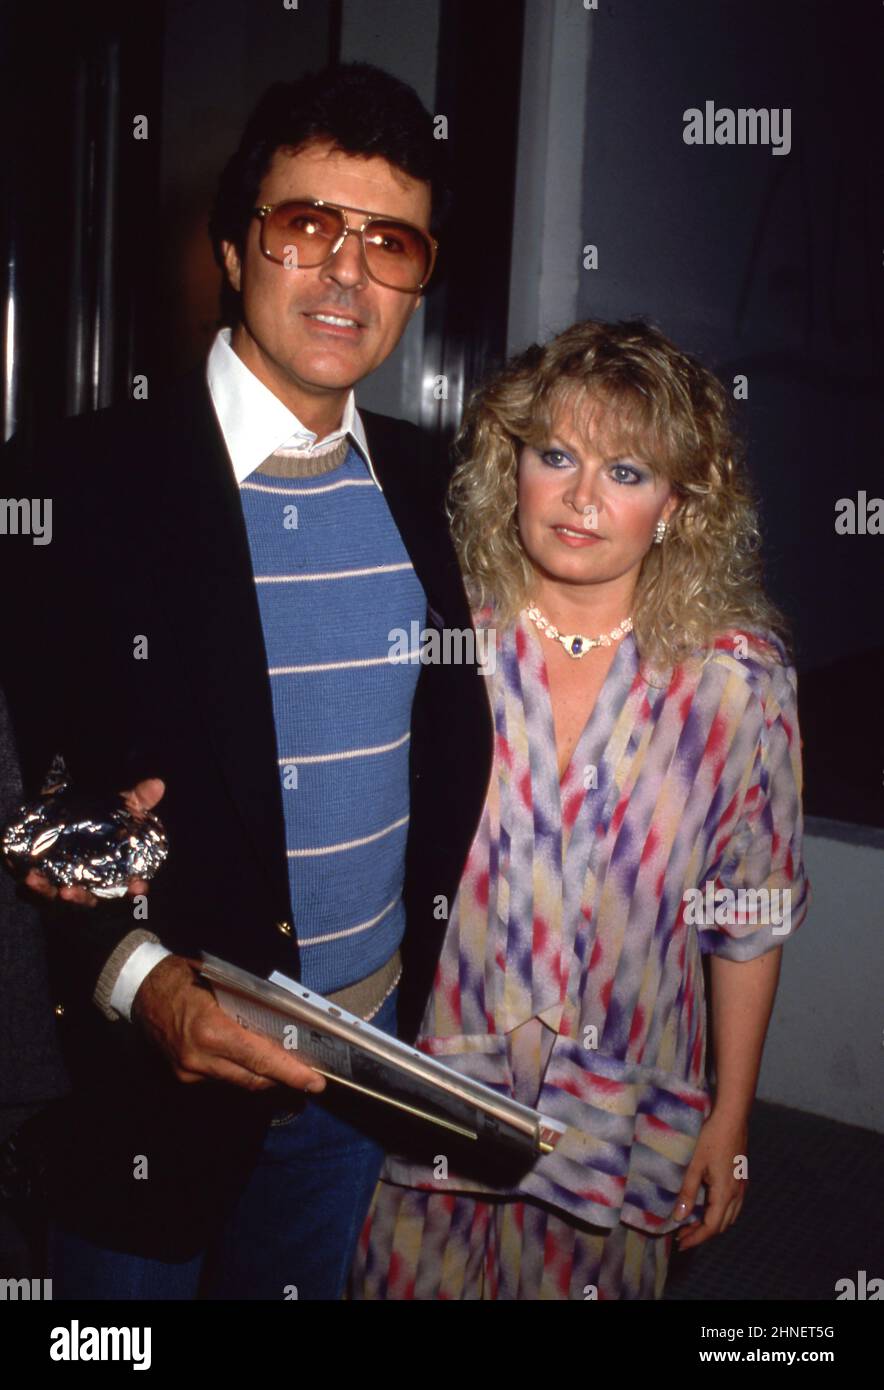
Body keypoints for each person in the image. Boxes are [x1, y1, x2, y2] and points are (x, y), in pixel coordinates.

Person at [0, 63, 493, 1299]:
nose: (347, 274)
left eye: (390, 242)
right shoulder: (73, 485)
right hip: (153, 1065)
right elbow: (19, 786)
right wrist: (138, 978)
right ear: (232, 246)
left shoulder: (443, 489)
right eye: (306, 226)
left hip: (361, 1059)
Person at [350, 318, 811, 1301]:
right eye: (555, 456)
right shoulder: (440, 636)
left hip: (618, 1111)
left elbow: (749, 917)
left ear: (678, 504)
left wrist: (729, 1119)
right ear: (509, 465)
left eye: (627, 471)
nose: (580, 498)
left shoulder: (735, 682)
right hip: (434, 1092)